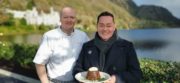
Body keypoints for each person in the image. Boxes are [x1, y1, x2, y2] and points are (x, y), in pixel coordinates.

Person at [73, 11, 142, 83]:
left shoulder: (127, 46)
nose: (105, 29)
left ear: (114, 26)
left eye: (108, 25)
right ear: (97, 26)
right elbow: (77, 69)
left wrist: (116, 79)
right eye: (101, 25)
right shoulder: (86, 46)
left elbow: (136, 74)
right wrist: (82, 80)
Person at [33, 6, 89, 83]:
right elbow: (39, 63)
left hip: (78, 81)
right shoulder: (49, 36)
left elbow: (90, 56)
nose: (69, 20)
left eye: (72, 17)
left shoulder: (83, 36)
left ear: (75, 19)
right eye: (65, 17)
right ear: (60, 19)